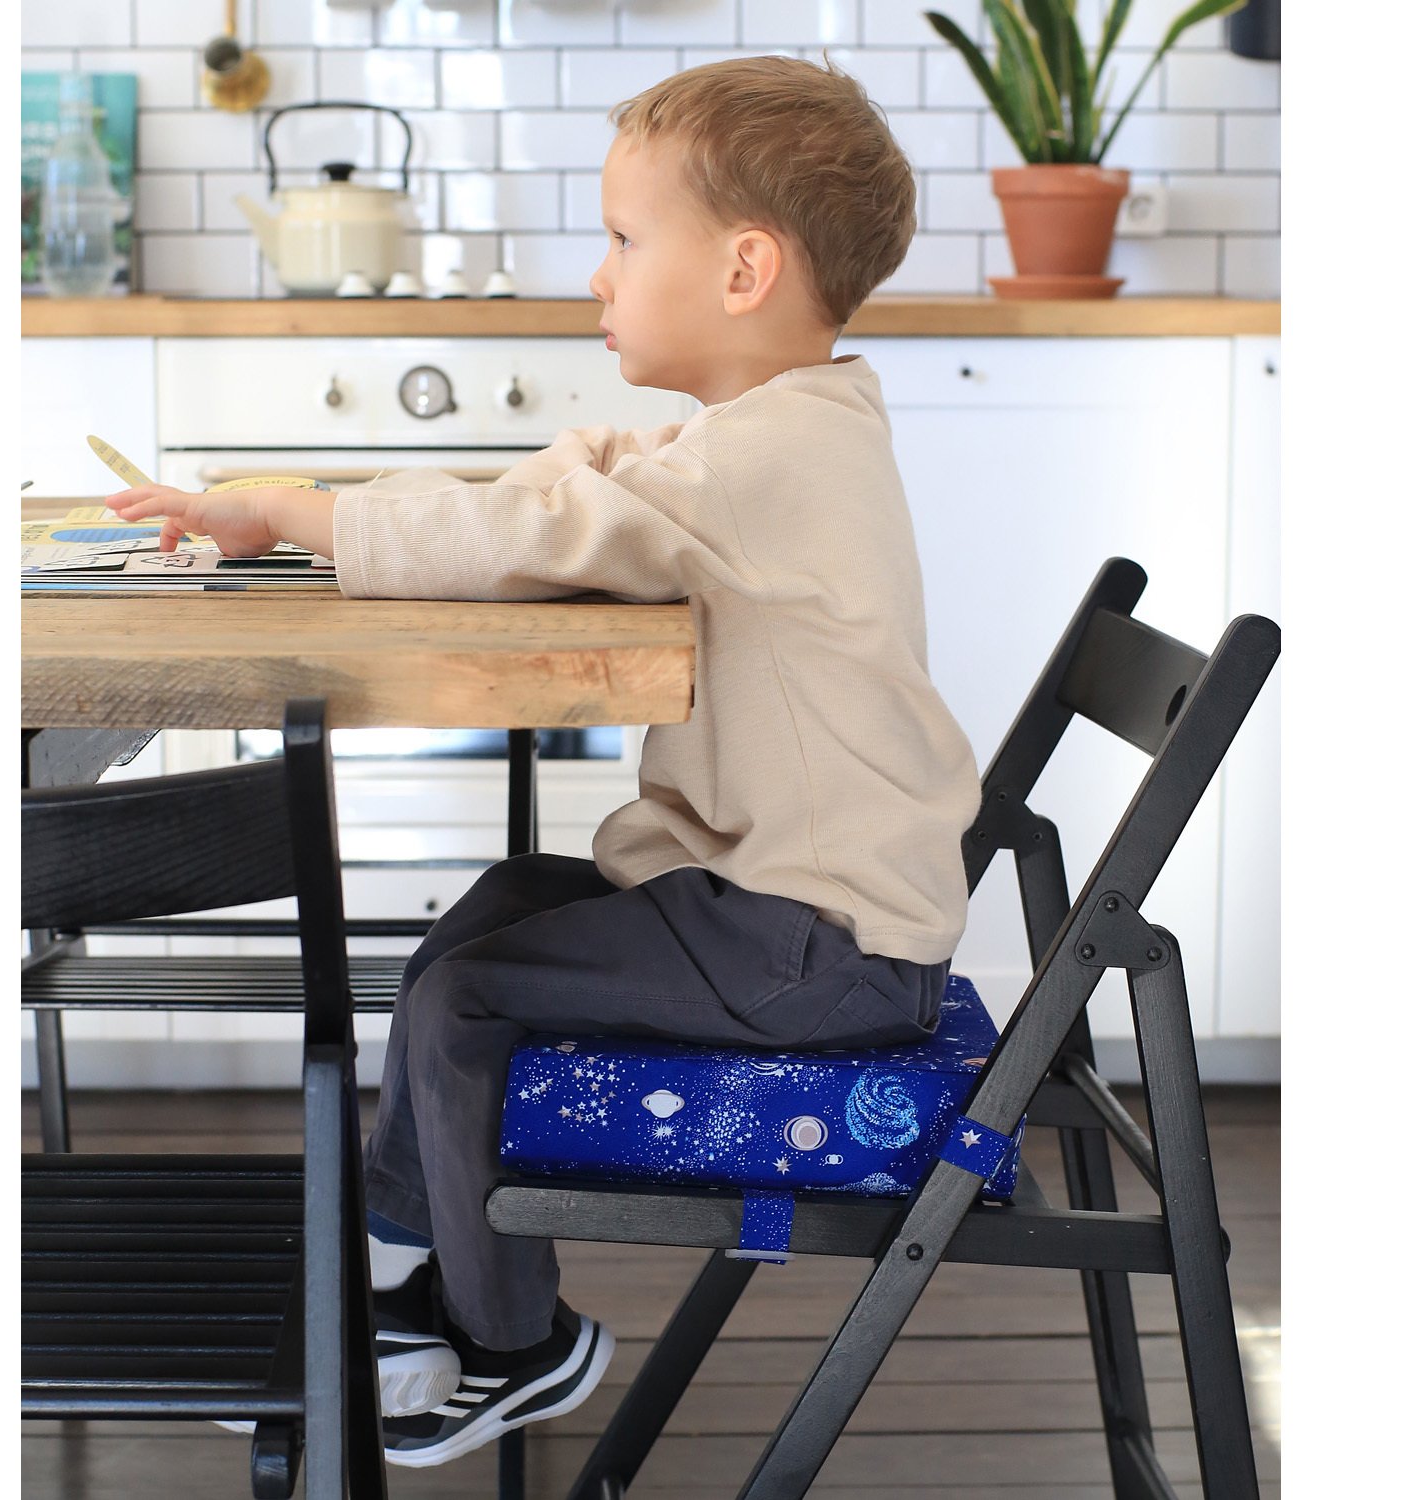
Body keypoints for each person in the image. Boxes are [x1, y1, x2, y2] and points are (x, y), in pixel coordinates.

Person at [105, 55, 981, 1469]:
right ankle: (401, 1275)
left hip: (816, 950)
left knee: (466, 998)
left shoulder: (757, 465)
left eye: (626, 238)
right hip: (787, 914)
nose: (599, 274)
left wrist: (292, 508)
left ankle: (515, 1337)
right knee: (503, 901)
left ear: (745, 269)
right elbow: (600, 479)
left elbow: (537, 528)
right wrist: (556, 466)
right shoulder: (779, 434)